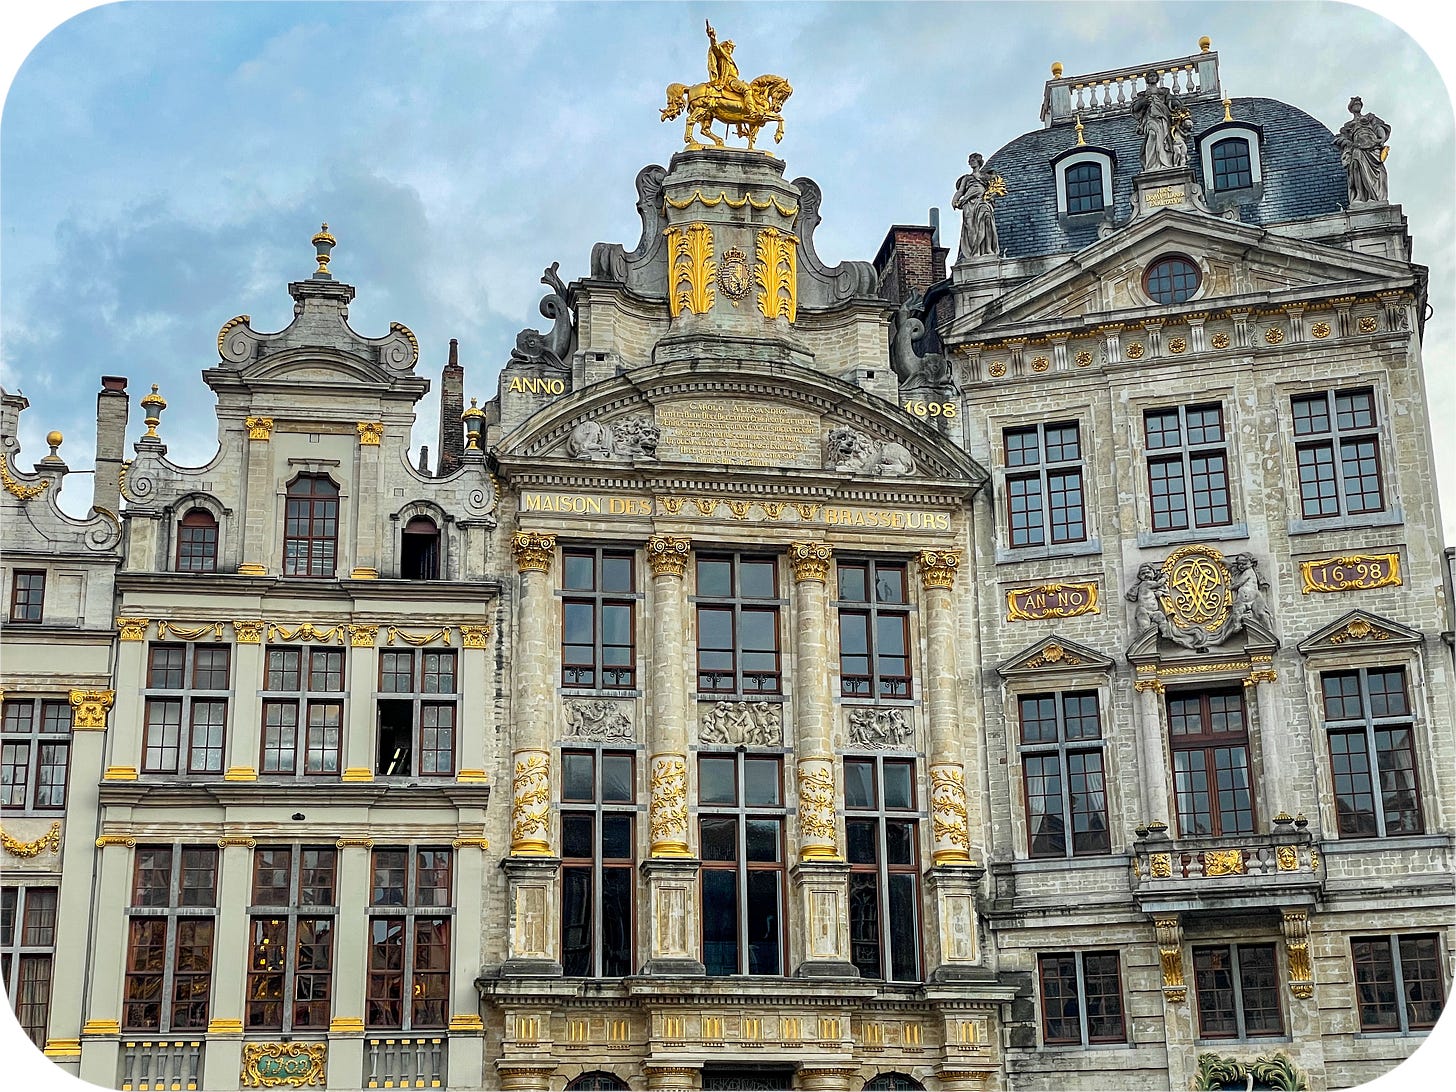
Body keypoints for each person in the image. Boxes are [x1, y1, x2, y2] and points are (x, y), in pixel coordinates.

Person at [1334, 96, 1390, 205]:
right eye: (1355, 104)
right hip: (1358, 147)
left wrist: (1381, 139)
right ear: (1351, 108)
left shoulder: (1370, 117)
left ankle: (1373, 197)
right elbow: (1341, 138)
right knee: (1356, 165)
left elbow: (1378, 127)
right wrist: (1348, 143)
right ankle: (1360, 195)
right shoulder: (1348, 125)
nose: (1357, 105)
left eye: (1358, 104)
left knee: (1376, 171)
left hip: (1372, 146)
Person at [953, 153, 1000, 259]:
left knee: (986, 220)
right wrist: (954, 200)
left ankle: (987, 248)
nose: (971, 162)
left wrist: (991, 196)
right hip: (969, 204)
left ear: (979, 162)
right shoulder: (966, 178)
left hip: (982, 201)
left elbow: (996, 188)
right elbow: (960, 191)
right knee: (971, 227)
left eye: (973, 160)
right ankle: (975, 251)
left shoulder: (985, 176)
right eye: (970, 160)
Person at [1132, 69, 1177, 170]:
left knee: (1162, 139)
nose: (1152, 77)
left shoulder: (1164, 92)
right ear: (1147, 79)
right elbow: (1135, 108)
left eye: (1154, 76)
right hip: (1150, 118)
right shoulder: (1142, 94)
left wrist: (1175, 104)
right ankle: (1151, 164)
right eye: (1150, 76)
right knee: (1152, 135)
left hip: (1162, 119)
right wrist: (1144, 101)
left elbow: (1173, 103)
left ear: (1157, 78)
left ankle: (1164, 162)